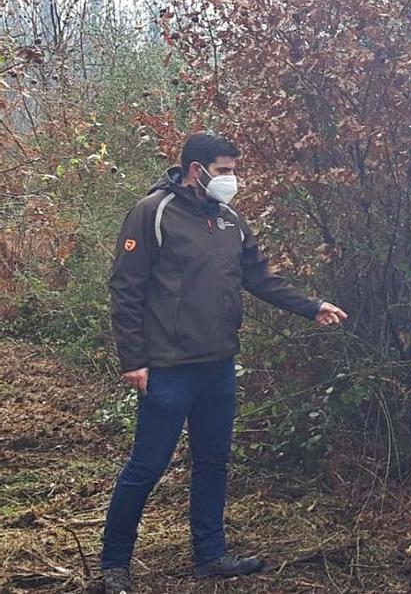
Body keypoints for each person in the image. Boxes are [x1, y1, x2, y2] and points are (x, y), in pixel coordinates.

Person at [99, 132, 347, 593]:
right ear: (198, 170)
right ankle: (114, 566)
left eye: (234, 169)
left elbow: (259, 277)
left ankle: (210, 555)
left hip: (218, 366)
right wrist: (134, 359)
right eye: (226, 170)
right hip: (169, 367)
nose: (233, 179)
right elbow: (126, 289)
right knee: (147, 465)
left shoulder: (230, 219)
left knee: (213, 460)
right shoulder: (152, 213)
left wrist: (311, 306)